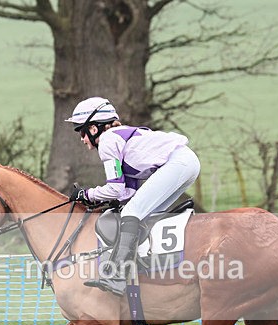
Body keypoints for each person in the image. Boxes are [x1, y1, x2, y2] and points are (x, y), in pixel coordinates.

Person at [64, 96, 201, 296]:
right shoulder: (119, 139)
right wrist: (104, 200)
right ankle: (147, 266)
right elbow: (128, 192)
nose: (82, 139)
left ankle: (118, 275)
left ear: (94, 128)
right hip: (186, 163)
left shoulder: (107, 141)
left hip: (179, 163)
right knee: (139, 214)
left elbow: (115, 189)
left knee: (132, 212)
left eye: (81, 131)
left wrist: (88, 194)